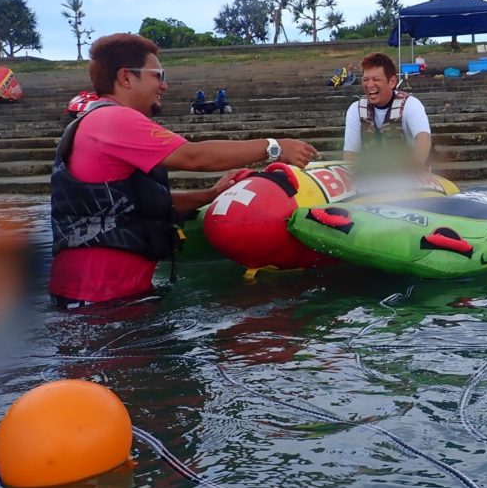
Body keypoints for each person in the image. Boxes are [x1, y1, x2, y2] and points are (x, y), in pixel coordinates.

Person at [49, 33, 318, 309]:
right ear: (126, 78)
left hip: (102, 300)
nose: (164, 85)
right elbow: (195, 156)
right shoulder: (113, 119)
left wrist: (210, 194)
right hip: (98, 303)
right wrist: (275, 147)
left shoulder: (94, 122)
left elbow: (131, 202)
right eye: (158, 75)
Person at [343, 52, 432, 170]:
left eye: (376, 79)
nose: (369, 85)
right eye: (365, 79)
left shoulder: (410, 104)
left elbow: (424, 139)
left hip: (410, 177)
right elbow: (350, 155)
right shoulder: (355, 110)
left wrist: (413, 170)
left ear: (392, 82)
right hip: (371, 177)